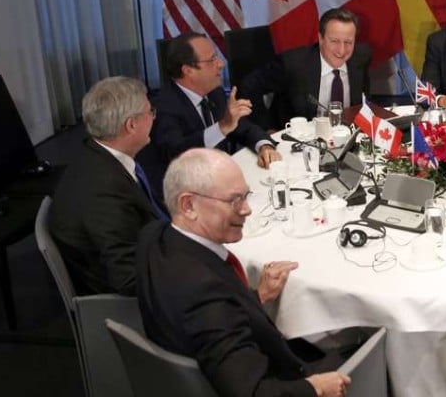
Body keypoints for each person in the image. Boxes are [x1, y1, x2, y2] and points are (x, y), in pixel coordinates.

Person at [136, 148, 351, 397]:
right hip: (278, 376)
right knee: (363, 342)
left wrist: (256, 296)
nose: (247, 209)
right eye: (234, 200)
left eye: (246, 197)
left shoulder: (152, 237)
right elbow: (251, 392)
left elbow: (208, 320)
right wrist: (315, 388)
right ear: (188, 205)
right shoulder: (205, 294)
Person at [48, 76, 165, 295]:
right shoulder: (103, 191)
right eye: (151, 112)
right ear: (131, 125)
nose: (154, 118)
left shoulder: (95, 154)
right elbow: (127, 278)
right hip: (136, 301)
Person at [138, 32, 278, 201]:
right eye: (212, 60)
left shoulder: (214, 92)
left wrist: (263, 145)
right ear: (188, 70)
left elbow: (241, 127)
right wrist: (222, 127)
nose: (221, 64)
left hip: (223, 180)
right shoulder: (163, 107)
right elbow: (178, 154)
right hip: (191, 196)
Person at [240, 8, 372, 131]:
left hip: (346, 135)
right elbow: (249, 86)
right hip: (300, 139)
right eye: (334, 41)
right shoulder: (293, 64)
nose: (342, 50)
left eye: (348, 42)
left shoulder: (362, 56)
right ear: (321, 39)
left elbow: (364, 96)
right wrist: (267, 129)